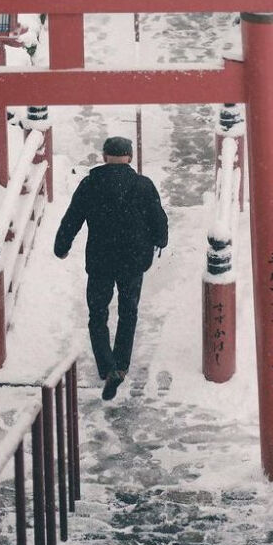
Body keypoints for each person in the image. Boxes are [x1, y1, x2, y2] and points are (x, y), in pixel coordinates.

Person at [54, 136, 168, 400]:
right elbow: (158, 219)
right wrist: (160, 240)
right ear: (129, 156)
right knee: (128, 312)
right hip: (133, 261)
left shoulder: (90, 183)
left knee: (98, 313)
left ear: (104, 156)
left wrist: (62, 245)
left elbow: (73, 217)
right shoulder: (143, 185)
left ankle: (106, 367)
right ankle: (121, 365)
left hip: (100, 260)